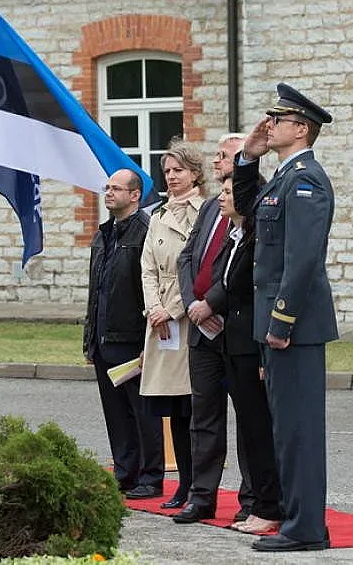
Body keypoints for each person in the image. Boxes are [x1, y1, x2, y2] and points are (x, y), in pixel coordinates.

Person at [233, 83, 337, 552]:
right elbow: (249, 213)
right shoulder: (283, 177)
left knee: (299, 431)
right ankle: (299, 521)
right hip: (278, 327)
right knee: (286, 429)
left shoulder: (307, 180)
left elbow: (302, 260)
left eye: (278, 120)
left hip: (293, 328)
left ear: (301, 129)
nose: (268, 125)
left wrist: (281, 321)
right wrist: (247, 159)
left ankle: (306, 528)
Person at [175, 133, 263, 525]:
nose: (216, 161)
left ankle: (252, 497)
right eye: (215, 154)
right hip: (202, 330)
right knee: (204, 416)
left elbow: (243, 267)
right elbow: (187, 257)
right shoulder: (212, 206)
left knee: (249, 418)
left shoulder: (254, 203)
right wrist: (193, 306)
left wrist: (212, 303)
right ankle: (202, 496)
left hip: (235, 328)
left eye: (224, 155)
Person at [83, 169, 165, 498]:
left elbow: (150, 288)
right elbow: (96, 290)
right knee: (116, 413)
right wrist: (90, 339)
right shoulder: (104, 233)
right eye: (107, 188)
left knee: (143, 411)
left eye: (116, 188)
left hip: (132, 338)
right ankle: (125, 471)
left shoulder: (145, 231)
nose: (109, 193)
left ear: (134, 195)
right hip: (105, 337)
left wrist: (149, 342)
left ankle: (150, 476)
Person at [140, 141, 206, 508]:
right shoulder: (158, 215)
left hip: (189, 315)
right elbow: (147, 268)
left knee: (193, 406)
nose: (171, 177)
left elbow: (200, 267)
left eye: (178, 170)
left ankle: (198, 484)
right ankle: (182, 482)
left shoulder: (205, 212)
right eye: (166, 171)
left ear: (195, 173)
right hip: (161, 321)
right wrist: (154, 309)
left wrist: (172, 309)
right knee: (174, 409)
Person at [217, 175, 281, 534]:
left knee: (260, 429)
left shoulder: (257, 240)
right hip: (233, 343)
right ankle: (259, 502)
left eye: (230, 192)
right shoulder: (235, 237)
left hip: (251, 345)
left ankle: (269, 505)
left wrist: (260, 355)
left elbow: (258, 295)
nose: (222, 197)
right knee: (249, 427)